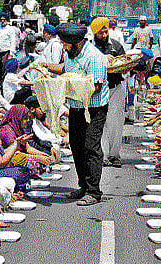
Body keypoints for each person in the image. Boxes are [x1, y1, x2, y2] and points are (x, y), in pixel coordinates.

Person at [42, 22, 109, 206]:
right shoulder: (71, 54)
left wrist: (63, 90)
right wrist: (44, 66)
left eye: (65, 43)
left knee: (91, 147)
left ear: (76, 42)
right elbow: (65, 69)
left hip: (94, 109)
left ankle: (94, 192)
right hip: (76, 108)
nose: (63, 46)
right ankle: (83, 186)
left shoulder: (94, 57)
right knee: (76, 146)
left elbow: (95, 87)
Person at [90, 17, 126, 168]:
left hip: (116, 87)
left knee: (116, 122)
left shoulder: (116, 46)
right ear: (94, 33)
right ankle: (103, 156)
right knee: (101, 122)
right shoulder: (90, 48)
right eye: (100, 33)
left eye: (105, 31)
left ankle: (115, 155)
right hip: (98, 89)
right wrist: (103, 59)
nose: (104, 35)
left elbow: (124, 62)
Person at [0, 12, 16, 86]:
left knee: (4, 70)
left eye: (4, 20)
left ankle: (3, 84)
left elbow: (13, 42)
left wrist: (11, 53)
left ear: (6, 20)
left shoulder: (10, 29)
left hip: (6, 52)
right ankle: (2, 81)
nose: (2, 21)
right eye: (1, 19)